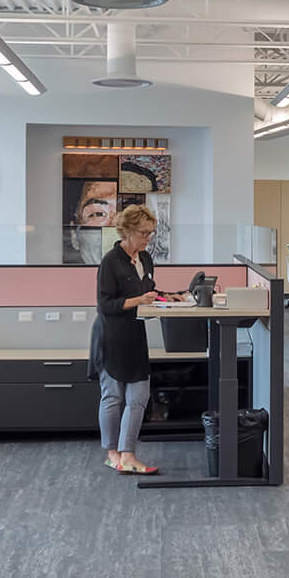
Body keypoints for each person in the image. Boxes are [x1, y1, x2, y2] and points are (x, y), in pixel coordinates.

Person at [94, 203, 184, 474]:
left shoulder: (145, 258)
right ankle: (113, 454)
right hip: (112, 335)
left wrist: (167, 296)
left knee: (139, 396)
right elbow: (105, 305)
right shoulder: (110, 262)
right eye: (144, 232)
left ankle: (128, 453)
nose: (148, 238)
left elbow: (148, 289)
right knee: (113, 396)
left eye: (151, 233)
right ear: (129, 231)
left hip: (135, 333)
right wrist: (138, 300)